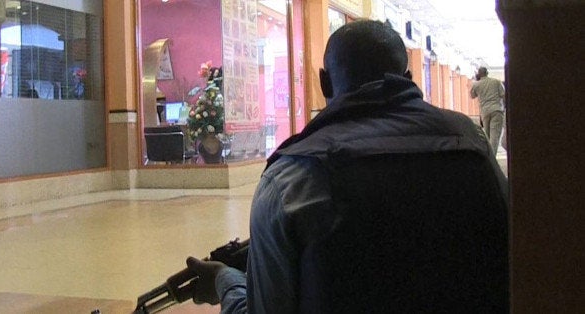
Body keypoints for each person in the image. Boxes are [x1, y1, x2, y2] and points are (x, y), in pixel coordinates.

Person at [186, 19, 508, 313]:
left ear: (325, 84)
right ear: (408, 79)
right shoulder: (473, 145)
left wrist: (226, 282)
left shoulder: (290, 179)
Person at [470, 67, 505, 155]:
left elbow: (472, 95)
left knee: (487, 135)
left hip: (485, 111)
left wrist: (477, 80)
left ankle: (488, 155)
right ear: (487, 73)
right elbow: (503, 95)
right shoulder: (496, 82)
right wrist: (504, 108)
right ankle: (492, 157)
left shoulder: (476, 84)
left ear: (479, 74)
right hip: (496, 109)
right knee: (495, 136)